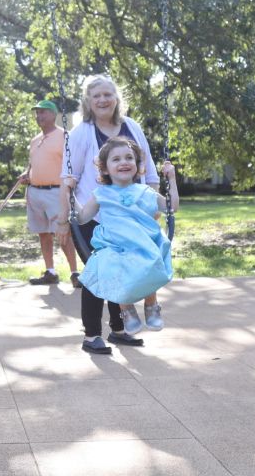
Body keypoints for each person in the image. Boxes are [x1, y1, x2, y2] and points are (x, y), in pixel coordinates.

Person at [57, 75, 165, 354]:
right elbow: (68, 177)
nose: (103, 100)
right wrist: (62, 219)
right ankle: (92, 334)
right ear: (88, 102)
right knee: (99, 271)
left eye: (108, 94)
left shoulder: (132, 127)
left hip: (131, 216)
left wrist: (151, 207)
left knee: (126, 269)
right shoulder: (82, 133)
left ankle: (119, 329)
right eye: (97, 96)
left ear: (116, 98)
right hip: (93, 215)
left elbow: (149, 170)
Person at [74, 137, 177, 349]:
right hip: (116, 245)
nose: (124, 162)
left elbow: (171, 207)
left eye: (129, 157)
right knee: (114, 265)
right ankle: (127, 310)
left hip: (142, 242)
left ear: (138, 165)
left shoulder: (146, 191)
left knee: (148, 261)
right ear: (104, 168)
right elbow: (83, 218)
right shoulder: (101, 193)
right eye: (116, 159)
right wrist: (70, 194)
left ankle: (151, 305)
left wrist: (172, 179)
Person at [18, 100, 79, 286]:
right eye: (37, 113)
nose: (39, 116)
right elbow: (33, 165)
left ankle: (75, 273)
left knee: (63, 234)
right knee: (43, 233)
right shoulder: (34, 140)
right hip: (35, 193)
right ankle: (50, 272)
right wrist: (27, 174)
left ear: (54, 115)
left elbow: (73, 165)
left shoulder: (66, 136)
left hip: (56, 192)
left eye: (43, 112)